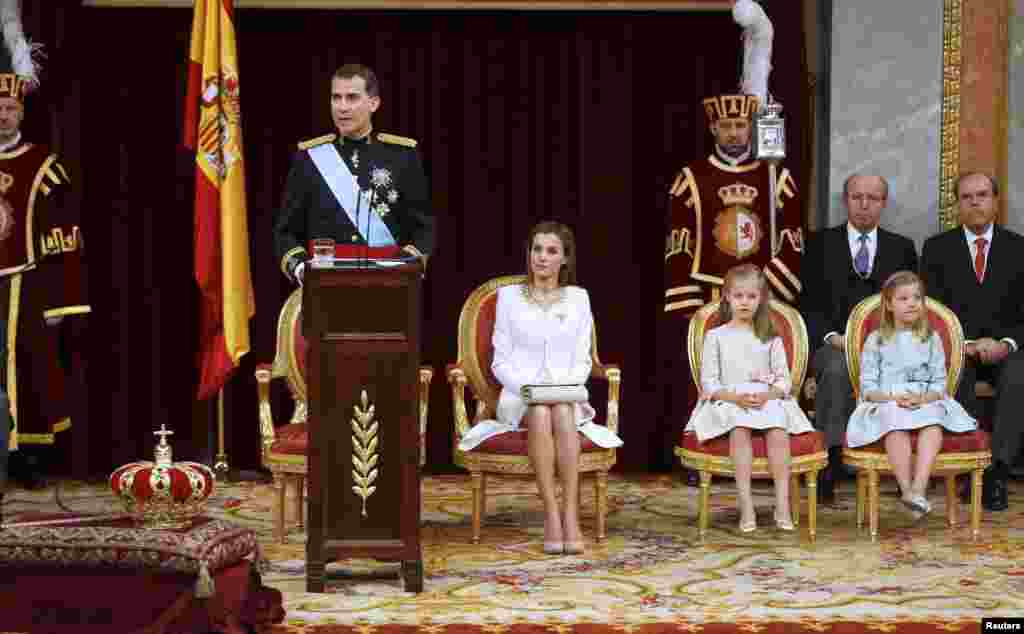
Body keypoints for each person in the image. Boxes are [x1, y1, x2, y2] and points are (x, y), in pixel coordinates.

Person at [659, 91, 804, 475]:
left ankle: (766, 455)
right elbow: (679, 245)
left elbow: (791, 239)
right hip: (708, 292)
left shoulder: (776, 176)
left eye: (741, 125)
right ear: (713, 129)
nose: (735, 133)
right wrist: (687, 301)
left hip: (761, 294)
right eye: (727, 126)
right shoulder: (690, 180)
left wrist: (768, 289)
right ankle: (704, 457)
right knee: (707, 375)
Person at [457, 221, 622, 555]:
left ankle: (570, 515)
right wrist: (531, 389)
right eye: (537, 250)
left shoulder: (578, 299)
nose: (542, 258)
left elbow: (583, 359)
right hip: (520, 396)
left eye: (551, 251)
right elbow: (499, 362)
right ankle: (551, 513)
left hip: (566, 393)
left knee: (560, 410)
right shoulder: (508, 299)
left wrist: (563, 386)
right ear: (528, 254)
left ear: (564, 259)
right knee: (540, 409)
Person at [0, 14, 89, 505]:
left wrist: (63, 301)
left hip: (24, 286)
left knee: (28, 373)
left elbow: (63, 238)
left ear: (21, 111)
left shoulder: (43, 164)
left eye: (10, 106)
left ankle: (24, 459)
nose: (3, 114)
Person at [799, 174, 918, 503]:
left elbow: (911, 305)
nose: (864, 205)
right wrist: (833, 337)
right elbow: (807, 304)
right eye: (857, 197)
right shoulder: (819, 243)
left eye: (873, 198)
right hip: (834, 343)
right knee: (837, 371)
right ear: (845, 200)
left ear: (883, 203)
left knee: (899, 372)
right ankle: (829, 465)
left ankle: (897, 466)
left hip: (887, 345)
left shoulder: (902, 247)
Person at [273, 63, 434, 285]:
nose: (342, 107)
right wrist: (300, 267)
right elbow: (285, 232)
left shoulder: (403, 156)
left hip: (388, 287)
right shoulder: (309, 158)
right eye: (336, 98)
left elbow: (424, 228)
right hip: (324, 286)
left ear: (374, 103)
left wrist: (405, 265)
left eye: (352, 97)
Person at [920, 172, 1024, 512]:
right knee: (955, 371)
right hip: (958, 348)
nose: (975, 202)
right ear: (957, 205)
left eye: (982, 195)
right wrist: (958, 344)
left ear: (995, 201)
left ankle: (997, 471)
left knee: (1018, 375)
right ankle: (966, 466)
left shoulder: (1019, 248)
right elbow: (928, 311)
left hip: (1005, 350)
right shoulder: (936, 249)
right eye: (967, 197)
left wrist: (1006, 343)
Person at [685, 264, 814, 532]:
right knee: (739, 428)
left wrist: (768, 395)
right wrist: (734, 398)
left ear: (761, 299)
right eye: (739, 296)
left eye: (751, 297)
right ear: (727, 298)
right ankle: (746, 505)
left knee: (778, 429)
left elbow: (783, 381)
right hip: (730, 400)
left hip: (765, 398)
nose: (745, 302)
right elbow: (709, 382)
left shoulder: (770, 337)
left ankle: (782, 504)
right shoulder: (715, 336)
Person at [846, 271, 976, 515]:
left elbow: (940, 384)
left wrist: (922, 398)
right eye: (903, 298)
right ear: (889, 304)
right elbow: (868, 387)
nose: (912, 303)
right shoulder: (876, 340)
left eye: (917, 297)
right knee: (895, 423)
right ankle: (906, 489)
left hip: (924, 399)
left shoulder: (931, 339)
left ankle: (918, 487)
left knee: (933, 423)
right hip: (888, 400)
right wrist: (891, 399)